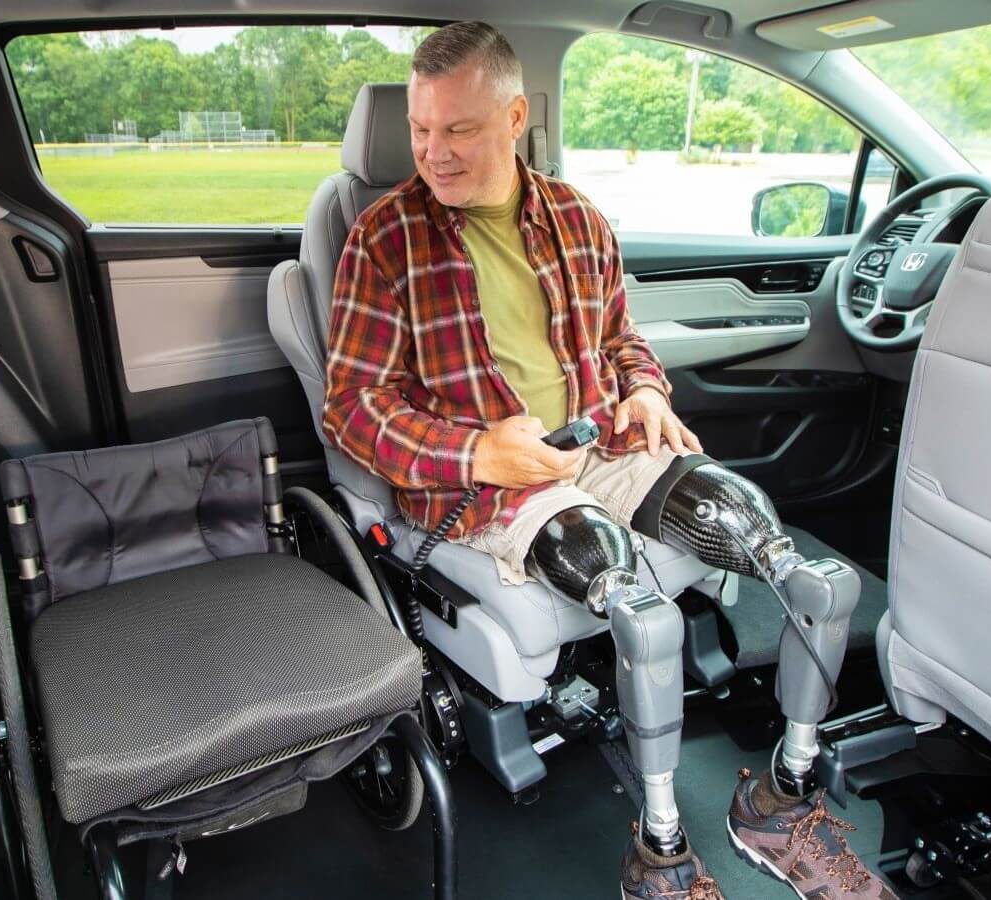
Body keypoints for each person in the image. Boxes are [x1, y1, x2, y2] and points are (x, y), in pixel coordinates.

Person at [323, 21, 892, 900]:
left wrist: (649, 394)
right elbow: (353, 409)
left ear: (515, 118)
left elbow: (625, 341)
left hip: (601, 445)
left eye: (459, 131)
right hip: (483, 484)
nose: (432, 153)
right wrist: (480, 450)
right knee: (638, 605)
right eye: (423, 130)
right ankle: (660, 851)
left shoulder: (577, 218)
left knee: (790, 557)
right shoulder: (384, 240)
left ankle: (784, 793)